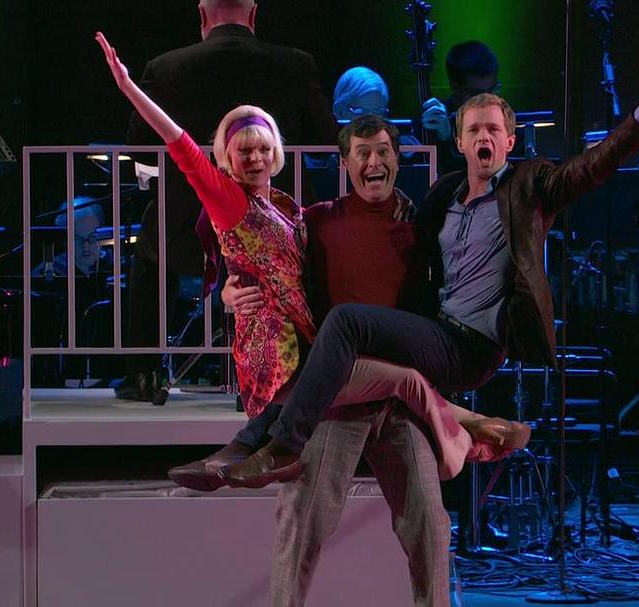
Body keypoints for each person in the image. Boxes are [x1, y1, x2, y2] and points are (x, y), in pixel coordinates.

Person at [221, 51, 639, 489]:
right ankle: (252, 439)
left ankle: (284, 445)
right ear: (461, 141)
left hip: (473, 346)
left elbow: (590, 168)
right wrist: (233, 289)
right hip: (438, 332)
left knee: (347, 323)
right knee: (340, 340)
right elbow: (370, 242)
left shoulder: (529, 188)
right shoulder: (443, 196)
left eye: (493, 130)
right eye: (475, 130)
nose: (484, 138)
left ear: (509, 141)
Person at [96, 32, 527, 491]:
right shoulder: (245, 204)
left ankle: (476, 428)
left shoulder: (292, 210)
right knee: (398, 383)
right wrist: (130, 88)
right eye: (244, 151)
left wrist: (228, 283)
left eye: (263, 149)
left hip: (317, 348)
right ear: (226, 158)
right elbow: (182, 149)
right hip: (289, 355)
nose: (256, 158)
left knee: (404, 384)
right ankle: (272, 448)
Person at [223, 114, 458, 605]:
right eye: (362, 154)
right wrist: (228, 291)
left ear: (398, 159)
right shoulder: (317, 221)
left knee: (431, 528)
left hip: (398, 401)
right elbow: (262, 261)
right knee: (301, 522)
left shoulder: (417, 229)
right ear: (345, 164)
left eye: (383, 151)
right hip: (338, 396)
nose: (374, 162)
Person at [116, 0, 338, 403]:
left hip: (188, 231)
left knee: (152, 243)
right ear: (254, 16)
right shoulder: (295, 64)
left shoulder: (165, 67)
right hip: (278, 231)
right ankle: (307, 365)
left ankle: (143, 372)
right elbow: (328, 139)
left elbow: (140, 148)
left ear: (202, 17)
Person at [420, 40, 502, 174]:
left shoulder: (507, 119)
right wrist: (445, 139)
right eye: (477, 94)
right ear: (455, 87)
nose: (487, 101)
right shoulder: (435, 121)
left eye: (492, 90)